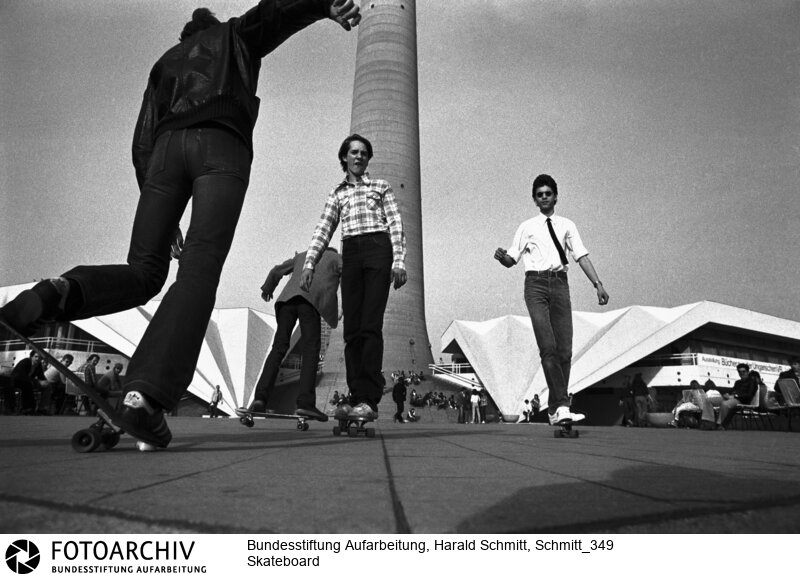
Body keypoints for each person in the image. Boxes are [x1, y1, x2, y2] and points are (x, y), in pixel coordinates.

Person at [0, 1, 361, 449]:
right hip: (220, 148)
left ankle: (56, 292)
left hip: (165, 155)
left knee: (143, 271)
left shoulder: (165, 63)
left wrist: (154, 194)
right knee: (198, 267)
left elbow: (142, 139)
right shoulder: (233, 36)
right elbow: (274, 13)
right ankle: (145, 398)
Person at [300, 134, 407, 422]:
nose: (359, 157)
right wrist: (309, 263)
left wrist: (399, 260)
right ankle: (356, 395)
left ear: (368, 159)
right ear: (344, 158)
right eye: (354, 152)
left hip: (378, 249)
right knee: (352, 330)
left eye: (364, 153)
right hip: (353, 253)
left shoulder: (380, 186)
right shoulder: (337, 194)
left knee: (371, 325)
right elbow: (324, 228)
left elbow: (395, 222)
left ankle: (369, 400)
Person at [494, 173, 609, 426]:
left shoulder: (567, 225)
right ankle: (562, 406)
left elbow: (581, 256)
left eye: (548, 193)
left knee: (564, 350)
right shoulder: (526, 227)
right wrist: (501, 257)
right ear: (534, 199)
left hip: (559, 284)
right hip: (535, 285)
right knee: (547, 346)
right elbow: (512, 260)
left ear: (555, 196)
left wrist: (597, 284)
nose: (544, 197)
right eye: (539, 194)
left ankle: (556, 408)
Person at [249, 247, 341, 421]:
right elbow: (351, 275)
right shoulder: (336, 258)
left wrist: (268, 287)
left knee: (279, 348)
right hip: (309, 302)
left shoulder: (302, 255)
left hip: (286, 302)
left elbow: (277, 270)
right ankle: (305, 403)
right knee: (311, 349)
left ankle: (260, 398)